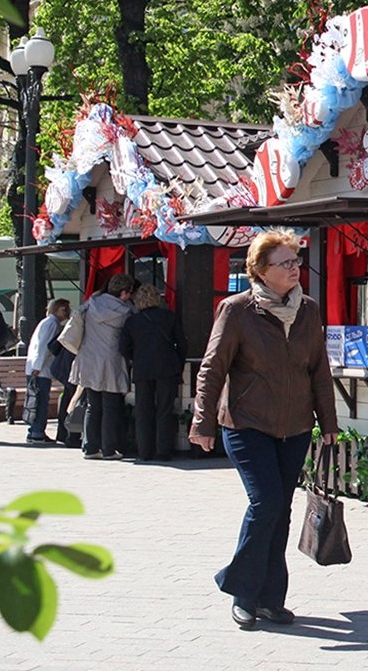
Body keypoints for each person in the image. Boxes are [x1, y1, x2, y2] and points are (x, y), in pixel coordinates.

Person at [190, 230, 339, 630]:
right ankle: (241, 592)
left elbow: (319, 370)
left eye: (296, 261)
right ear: (261, 270)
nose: (295, 268)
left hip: (293, 427)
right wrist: (202, 422)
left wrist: (329, 423)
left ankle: (271, 600)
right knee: (267, 502)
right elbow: (212, 368)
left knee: (281, 511)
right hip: (246, 423)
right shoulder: (237, 310)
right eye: (286, 263)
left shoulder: (307, 309)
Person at [70, 274, 135, 460]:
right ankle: (109, 449)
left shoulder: (91, 304)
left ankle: (90, 447)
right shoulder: (125, 312)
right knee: (111, 407)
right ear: (123, 293)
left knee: (92, 406)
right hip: (111, 362)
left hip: (89, 360)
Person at [120, 284, 187, 462]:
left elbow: (123, 347)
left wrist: (136, 357)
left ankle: (144, 451)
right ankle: (163, 450)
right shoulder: (169, 317)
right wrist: (178, 363)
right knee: (165, 409)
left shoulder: (132, 321)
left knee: (143, 411)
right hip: (167, 367)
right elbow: (181, 343)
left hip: (143, 368)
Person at [23, 298, 71, 443]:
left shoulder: (48, 323)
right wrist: (37, 366)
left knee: (38, 400)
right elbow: (44, 346)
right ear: (56, 310)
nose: (67, 312)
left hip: (38, 367)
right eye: (64, 309)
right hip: (40, 369)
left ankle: (35, 430)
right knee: (41, 400)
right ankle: (37, 431)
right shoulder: (51, 324)